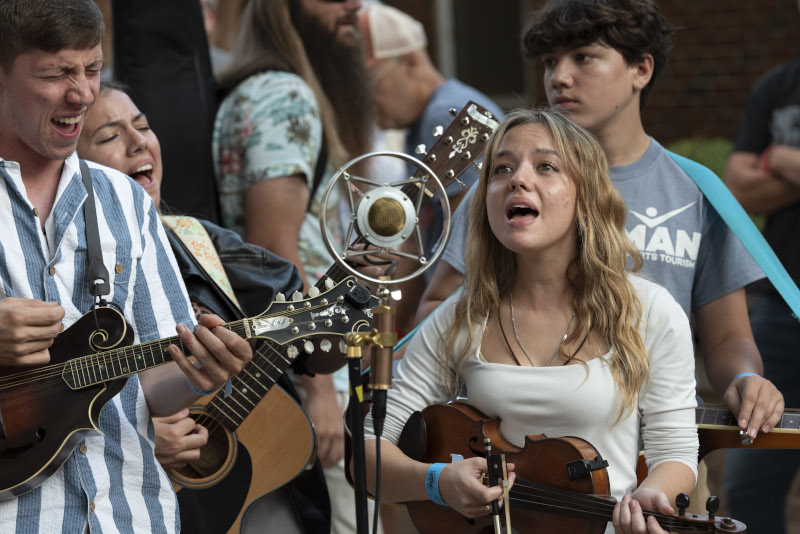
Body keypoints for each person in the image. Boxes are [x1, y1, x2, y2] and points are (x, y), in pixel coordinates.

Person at [417, 0, 784, 444]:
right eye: (549, 62)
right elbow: (439, 309)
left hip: (664, 454)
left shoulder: (696, 189)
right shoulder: (508, 188)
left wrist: (745, 377)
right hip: (515, 455)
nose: (558, 77)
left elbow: (726, 337)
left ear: (640, 70)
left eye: (583, 57)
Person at [364, 108, 698, 534]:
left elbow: (676, 452)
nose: (517, 179)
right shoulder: (462, 316)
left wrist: (652, 497)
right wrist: (437, 482)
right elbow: (369, 453)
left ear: (587, 195)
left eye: (546, 167)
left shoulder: (649, 311)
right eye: (501, 169)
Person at [0, 1, 252, 532]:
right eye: (56, 74)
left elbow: (153, 385)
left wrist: (199, 375)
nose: (82, 94)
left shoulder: (125, 199)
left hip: (132, 515)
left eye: (92, 69)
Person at [76, 81, 331, 533]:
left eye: (143, 127)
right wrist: (136, 436)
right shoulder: (60, 264)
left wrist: (323, 390)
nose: (138, 142)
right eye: (111, 136)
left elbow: (304, 321)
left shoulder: (198, 240)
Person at [212, 1, 375, 532]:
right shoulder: (284, 95)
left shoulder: (260, 89)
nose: (353, 5)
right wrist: (318, 389)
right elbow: (273, 253)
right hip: (297, 369)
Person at [356, 3, 505, 333]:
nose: (363, 101)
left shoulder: (445, 114)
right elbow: (419, 238)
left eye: (370, 84)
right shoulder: (425, 117)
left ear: (409, 62)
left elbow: (467, 239)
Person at [723, 48, 800, 534]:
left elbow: (758, 176)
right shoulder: (779, 85)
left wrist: (782, 157)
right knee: (750, 480)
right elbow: (739, 186)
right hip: (782, 304)